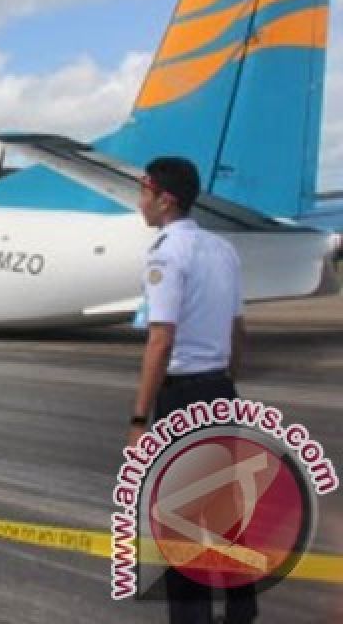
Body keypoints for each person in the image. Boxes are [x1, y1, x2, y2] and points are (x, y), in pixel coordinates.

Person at [127, 156, 255, 624]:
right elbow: (240, 330)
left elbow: (160, 339)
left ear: (166, 200)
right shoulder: (223, 249)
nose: (140, 202)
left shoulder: (165, 253)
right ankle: (243, 609)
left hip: (182, 395)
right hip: (220, 389)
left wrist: (140, 418)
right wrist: (226, 379)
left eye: (144, 193)